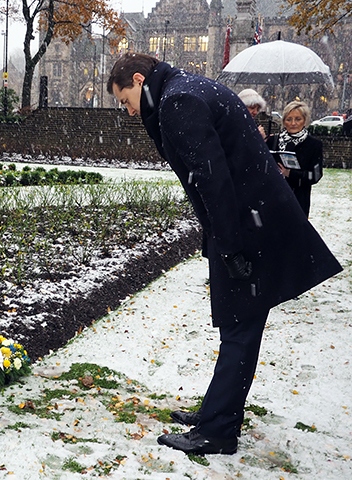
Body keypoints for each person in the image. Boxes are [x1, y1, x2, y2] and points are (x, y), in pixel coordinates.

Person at [107, 52, 341, 455]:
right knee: (241, 328)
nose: (128, 111)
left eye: (125, 99)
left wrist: (230, 247)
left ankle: (218, 430)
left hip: (250, 227)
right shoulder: (188, 89)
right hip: (256, 219)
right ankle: (216, 413)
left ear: (140, 79)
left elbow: (213, 181)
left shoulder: (178, 101)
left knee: (240, 329)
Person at [266, 101, 323, 217]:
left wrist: (291, 174)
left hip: (298, 200)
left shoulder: (314, 145)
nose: (293, 123)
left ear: (305, 121)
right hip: (273, 198)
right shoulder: (273, 141)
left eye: (298, 119)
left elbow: (315, 175)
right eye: (289, 119)